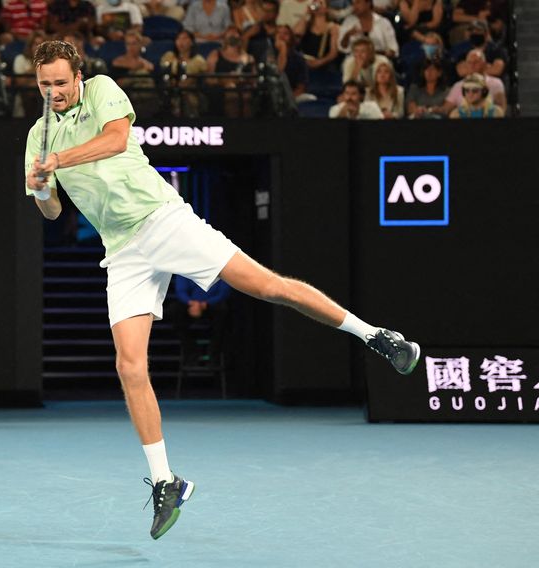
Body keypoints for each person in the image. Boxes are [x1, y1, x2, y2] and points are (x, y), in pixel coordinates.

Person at [23, 39, 420, 540]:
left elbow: (117, 140)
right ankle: (167, 481)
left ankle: (376, 335)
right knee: (129, 365)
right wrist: (40, 186)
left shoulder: (101, 90)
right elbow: (54, 210)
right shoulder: (38, 135)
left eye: (60, 82)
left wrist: (57, 159)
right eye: (44, 84)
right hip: (121, 250)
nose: (54, 91)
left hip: (163, 221)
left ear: (77, 76)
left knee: (268, 287)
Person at [167, 276, 230, 366]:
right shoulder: (185, 266)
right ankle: (191, 350)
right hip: (191, 304)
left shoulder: (220, 267)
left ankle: (213, 353)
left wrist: (206, 303)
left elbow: (224, 292)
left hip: (212, 304)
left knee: (223, 311)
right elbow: (180, 290)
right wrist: (191, 303)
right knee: (174, 311)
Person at [206, 25, 256, 117]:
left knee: (246, 97)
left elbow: (254, 80)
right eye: (230, 32)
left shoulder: (249, 58)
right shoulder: (215, 55)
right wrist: (225, 81)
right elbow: (209, 79)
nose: (233, 34)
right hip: (222, 91)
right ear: (224, 37)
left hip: (244, 92)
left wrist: (242, 80)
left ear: (240, 37)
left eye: (236, 32)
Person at [440, 48, 505, 115]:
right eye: (469, 62)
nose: (472, 65)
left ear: (484, 64)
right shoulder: (458, 85)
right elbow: (446, 109)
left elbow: (501, 109)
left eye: (476, 62)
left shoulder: (496, 83)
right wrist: (432, 110)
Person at [159, 29, 208, 117]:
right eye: (178, 38)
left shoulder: (198, 60)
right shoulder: (169, 56)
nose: (181, 42)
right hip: (169, 91)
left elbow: (201, 79)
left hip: (191, 92)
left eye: (185, 38)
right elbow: (164, 73)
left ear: (192, 42)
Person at [292, 0, 340, 72]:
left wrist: (318, 62)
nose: (317, 5)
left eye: (320, 3)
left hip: (324, 66)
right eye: (315, 2)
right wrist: (306, 14)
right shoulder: (307, 24)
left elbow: (333, 53)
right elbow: (296, 33)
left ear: (326, 9)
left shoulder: (333, 27)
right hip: (304, 62)